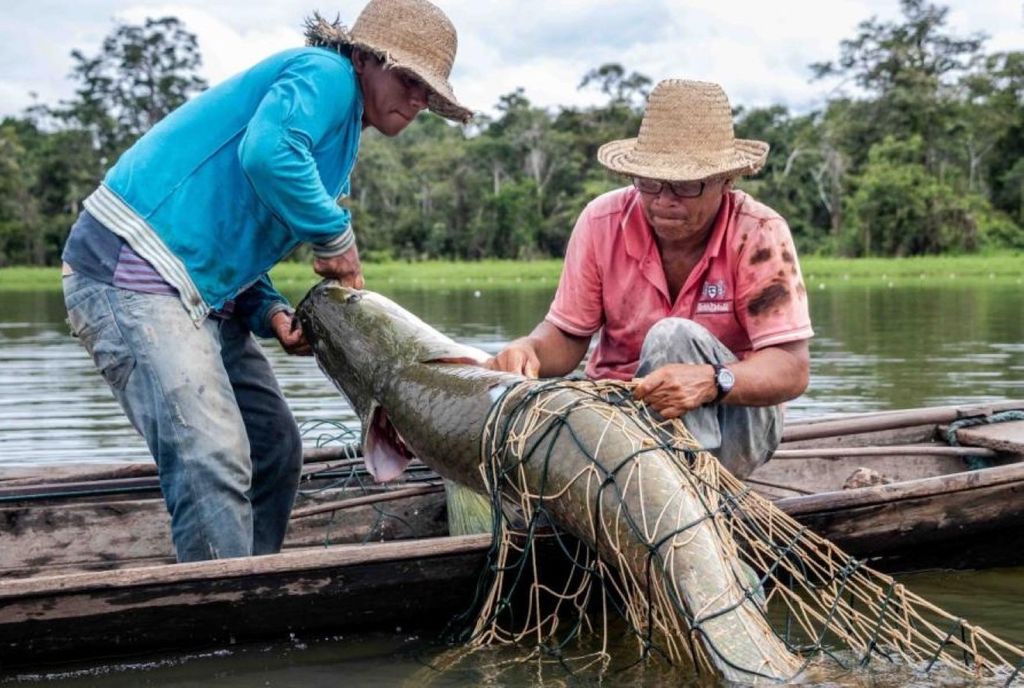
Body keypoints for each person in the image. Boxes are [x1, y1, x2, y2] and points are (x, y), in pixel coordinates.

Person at [60, 0, 472, 562]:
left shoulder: (339, 135)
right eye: (408, 80)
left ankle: (252, 583)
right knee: (212, 454)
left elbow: (239, 237)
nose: (418, 101)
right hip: (132, 272)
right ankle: (224, 616)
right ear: (364, 59)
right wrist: (337, 238)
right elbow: (268, 155)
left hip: (202, 296)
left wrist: (271, 313)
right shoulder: (325, 74)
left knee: (274, 447)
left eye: (428, 92)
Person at [486, 79, 813, 478]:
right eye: (649, 182)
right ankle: (642, 478)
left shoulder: (758, 232)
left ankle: (689, 488)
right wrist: (530, 349)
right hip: (622, 419)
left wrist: (713, 381)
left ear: (725, 181)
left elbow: (791, 368)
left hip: (736, 423)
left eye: (686, 185)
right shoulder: (601, 221)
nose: (663, 200)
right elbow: (569, 336)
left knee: (673, 336)